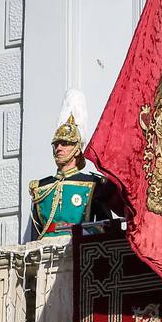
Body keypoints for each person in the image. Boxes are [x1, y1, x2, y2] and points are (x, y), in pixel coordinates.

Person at [29, 89, 117, 239]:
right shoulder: (41, 187)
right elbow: (35, 234)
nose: (59, 148)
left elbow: (105, 228)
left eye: (65, 144)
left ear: (77, 150)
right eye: (56, 144)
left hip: (78, 248)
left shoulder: (94, 184)